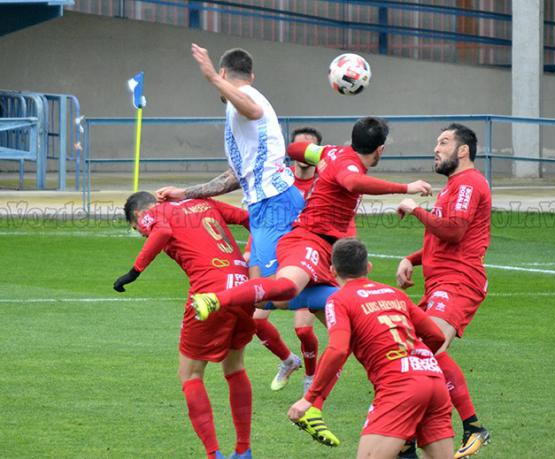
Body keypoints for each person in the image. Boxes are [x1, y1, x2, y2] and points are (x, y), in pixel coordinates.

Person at [191, 116, 433, 446]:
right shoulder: (347, 164)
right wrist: (406, 188)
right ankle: (217, 298)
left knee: (344, 338)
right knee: (287, 287)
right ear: (380, 150)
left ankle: (313, 407)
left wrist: (310, 152)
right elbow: (352, 182)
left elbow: (295, 148)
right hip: (307, 240)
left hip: (326, 254)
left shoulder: (331, 153)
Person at [113, 191, 255, 459]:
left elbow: (162, 231)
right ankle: (243, 450)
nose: (143, 232)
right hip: (242, 285)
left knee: (190, 375)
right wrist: (252, 254)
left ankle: (214, 455)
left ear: (137, 216)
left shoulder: (153, 213)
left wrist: (134, 272)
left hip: (209, 292)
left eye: (137, 229)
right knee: (235, 368)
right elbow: (249, 218)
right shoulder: (203, 201)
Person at [288, 238, 454, 459]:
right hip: (434, 381)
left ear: (332, 270)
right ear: (368, 267)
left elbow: (337, 350)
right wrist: (416, 361)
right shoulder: (395, 294)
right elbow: (436, 336)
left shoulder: (339, 300)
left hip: (400, 388)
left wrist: (309, 399)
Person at [156, 44, 305, 281]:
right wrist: (184, 193)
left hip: (275, 202)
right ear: (251, 75)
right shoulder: (236, 111)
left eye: (219, 76)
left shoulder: (250, 97)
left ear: (223, 73)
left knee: (276, 291)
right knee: (256, 290)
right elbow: (234, 176)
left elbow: (253, 110)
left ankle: (347, 305)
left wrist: (213, 78)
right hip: (264, 203)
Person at [395, 123, 491, 459]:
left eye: (444, 142)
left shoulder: (469, 183)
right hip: (442, 282)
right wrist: (410, 259)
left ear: (463, 151)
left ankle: (471, 426)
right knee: (416, 351)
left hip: (458, 282)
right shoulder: (452, 187)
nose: (436, 148)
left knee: (424, 350)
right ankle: (420, 435)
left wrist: (415, 209)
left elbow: (454, 231)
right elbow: (442, 239)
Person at [247, 127, 333, 394]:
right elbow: (262, 219)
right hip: (274, 257)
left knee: (303, 330)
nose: (305, 153)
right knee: (256, 319)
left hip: (307, 261)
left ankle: (310, 378)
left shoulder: (325, 185)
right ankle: (288, 361)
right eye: (300, 147)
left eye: (311, 148)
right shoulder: (281, 183)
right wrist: (251, 249)